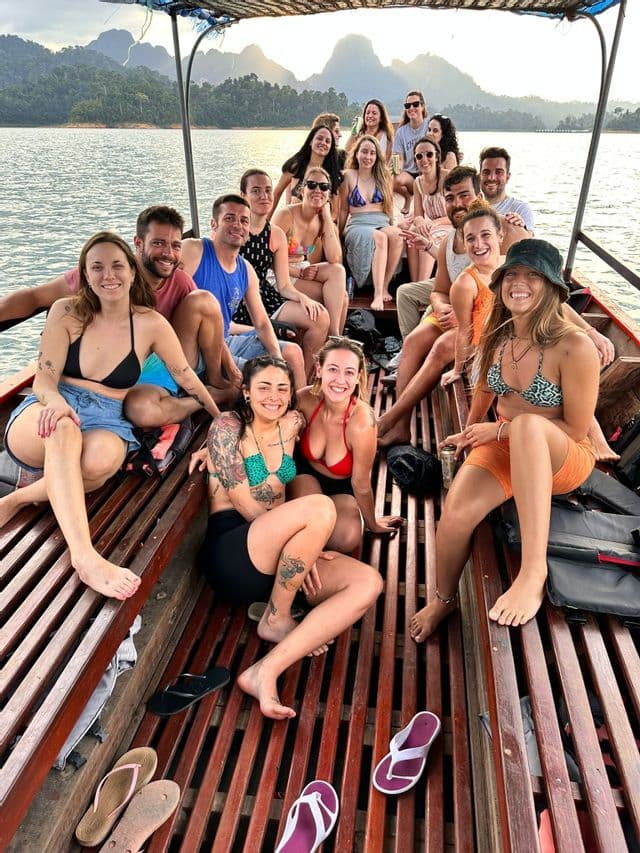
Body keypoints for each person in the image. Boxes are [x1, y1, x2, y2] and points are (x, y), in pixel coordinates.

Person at [0, 232, 219, 599]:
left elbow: (185, 376)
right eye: (97, 267)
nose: (108, 275)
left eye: (117, 265)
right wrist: (55, 402)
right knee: (64, 429)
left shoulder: (150, 323)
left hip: (107, 417)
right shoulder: (66, 312)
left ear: (132, 271)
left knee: (101, 461)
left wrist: (220, 417)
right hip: (50, 409)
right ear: (85, 275)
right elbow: (44, 379)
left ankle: (16, 499)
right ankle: (84, 556)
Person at [410, 239, 599, 641]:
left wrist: (497, 430)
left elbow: (576, 430)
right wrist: (471, 429)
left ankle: (533, 571)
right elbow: (484, 388)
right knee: (455, 514)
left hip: (561, 455)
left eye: (533, 275)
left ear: (551, 287)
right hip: (507, 446)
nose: (519, 283)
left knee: (528, 425)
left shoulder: (574, 346)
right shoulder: (499, 332)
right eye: (511, 274)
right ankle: (444, 599)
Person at [192, 355, 383, 719]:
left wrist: (303, 550)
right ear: (246, 392)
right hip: (234, 550)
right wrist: (300, 547)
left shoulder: (292, 421)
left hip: (279, 560)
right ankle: (277, 618)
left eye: (282, 388)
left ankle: (265, 670)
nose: (274, 396)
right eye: (263, 387)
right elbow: (245, 504)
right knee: (320, 508)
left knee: (368, 583)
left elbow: (330, 405)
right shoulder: (227, 427)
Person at [0, 205, 233, 428]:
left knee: (202, 300)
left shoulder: (175, 286)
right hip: (116, 375)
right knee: (133, 411)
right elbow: (34, 297)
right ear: (138, 243)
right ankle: (208, 396)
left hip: (160, 365)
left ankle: (214, 390)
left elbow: (186, 365)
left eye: (175, 245)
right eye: (158, 243)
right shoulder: (102, 276)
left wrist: (228, 368)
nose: (168, 253)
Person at [181, 194, 306, 389]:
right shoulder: (194, 250)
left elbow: (261, 322)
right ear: (214, 224)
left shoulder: (245, 270)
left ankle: (301, 405)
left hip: (226, 340)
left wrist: (278, 358)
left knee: (293, 353)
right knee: (262, 377)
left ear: (248, 229)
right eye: (229, 218)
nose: (237, 225)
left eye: (244, 221)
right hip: (198, 349)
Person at [289, 338, 403, 553]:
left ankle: (307, 541)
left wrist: (372, 523)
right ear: (319, 370)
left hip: (341, 488)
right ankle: (307, 551)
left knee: (347, 537)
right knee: (312, 516)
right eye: (333, 369)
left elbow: (361, 484)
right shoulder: (304, 399)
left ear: (358, 377)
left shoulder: (362, 423)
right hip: (305, 475)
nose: (340, 380)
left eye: (349, 372)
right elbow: (269, 422)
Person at [234, 169, 330, 376]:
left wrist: (303, 298)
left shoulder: (275, 234)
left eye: (268, 190)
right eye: (256, 191)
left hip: (265, 298)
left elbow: (284, 284)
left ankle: (304, 376)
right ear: (243, 196)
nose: (264, 196)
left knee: (320, 317)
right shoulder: (234, 231)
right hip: (237, 303)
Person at [272, 167, 348, 337]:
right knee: (340, 298)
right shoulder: (285, 215)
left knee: (338, 272)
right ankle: (334, 338)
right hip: (278, 273)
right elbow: (267, 258)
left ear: (328, 194)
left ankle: (333, 336)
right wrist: (297, 272)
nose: (317, 190)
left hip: (302, 268)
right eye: (312, 185)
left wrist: (327, 218)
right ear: (302, 190)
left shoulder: (322, 220)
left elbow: (334, 258)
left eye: (324, 187)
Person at [439, 201, 503, 388]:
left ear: (500, 236)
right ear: (465, 244)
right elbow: (464, 331)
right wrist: (457, 370)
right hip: (487, 356)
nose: (478, 244)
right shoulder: (465, 284)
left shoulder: (510, 266)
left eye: (485, 235)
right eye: (470, 239)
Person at [339, 136, 403, 311]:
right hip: (358, 224)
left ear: (377, 156)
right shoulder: (348, 176)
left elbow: (389, 207)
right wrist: (338, 235)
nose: (368, 156)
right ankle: (377, 294)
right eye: (364, 152)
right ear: (357, 154)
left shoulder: (385, 176)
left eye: (372, 153)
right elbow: (343, 210)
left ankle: (384, 286)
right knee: (380, 237)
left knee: (397, 236)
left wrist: (393, 225)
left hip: (381, 220)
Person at [405, 135, 452, 283]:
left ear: (437, 156)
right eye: (419, 156)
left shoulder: (448, 177)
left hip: (450, 224)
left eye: (429, 154)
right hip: (432, 225)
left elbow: (459, 213)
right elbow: (418, 214)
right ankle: (414, 284)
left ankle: (422, 283)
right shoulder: (418, 182)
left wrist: (434, 223)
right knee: (412, 233)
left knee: (426, 236)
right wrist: (420, 222)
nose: (424, 160)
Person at [271, 125, 343, 215]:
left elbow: (335, 213)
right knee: (295, 202)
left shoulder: (333, 173)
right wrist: (266, 220)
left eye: (327, 141)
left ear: (330, 147)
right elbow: (277, 193)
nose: (323, 143)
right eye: (319, 138)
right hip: (294, 220)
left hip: (321, 222)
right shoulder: (297, 165)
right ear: (311, 141)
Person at [479, 146, 535, 233]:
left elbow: (529, 238)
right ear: (479, 176)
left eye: (498, 172)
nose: (491, 177)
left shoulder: (520, 209)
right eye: (486, 172)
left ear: (507, 177)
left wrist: (521, 228)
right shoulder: (470, 208)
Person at [392, 90, 430, 215]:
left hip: (428, 171)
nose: (411, 108)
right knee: (393, 179)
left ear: (422, 106)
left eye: (415, 104)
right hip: (410, 174)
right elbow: (398, 158)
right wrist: (396, 170)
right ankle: (407, 198)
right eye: (408, 106)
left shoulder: (429, 125)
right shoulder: (401, 132)